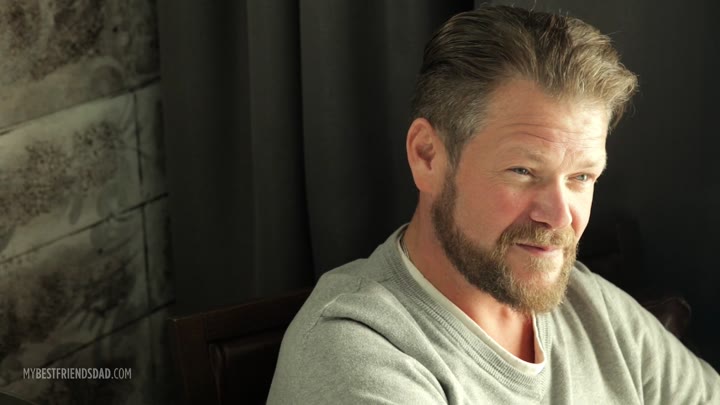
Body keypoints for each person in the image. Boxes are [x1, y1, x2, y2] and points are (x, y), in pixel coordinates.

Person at [267, 5, 720, 404]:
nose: (560, 217)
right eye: (523, 170)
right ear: (427, 156)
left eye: (581, 177)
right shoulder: (356, 350)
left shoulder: (589, 304)